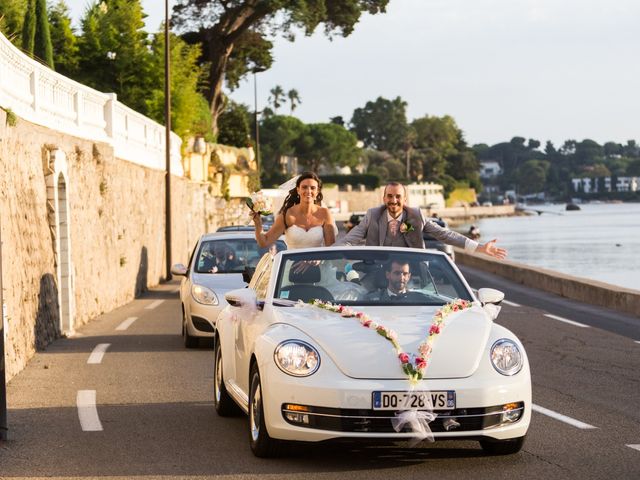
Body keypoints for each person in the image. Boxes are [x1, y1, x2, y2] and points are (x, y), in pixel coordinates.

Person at [335, 182, 507, 259]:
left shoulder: (416, 216)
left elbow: (444, 235)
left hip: (413, 273)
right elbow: (350, 239)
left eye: (398, 197)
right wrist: (326, 255)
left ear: (405, 199)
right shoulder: (372, 215)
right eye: (389, 196)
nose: (393, 200)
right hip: (376, 273)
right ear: (384, 197)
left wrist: (479, 247)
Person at [250, 172, 337, 250]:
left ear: (317, 191)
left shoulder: (324, 213)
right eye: (304, 187)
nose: (308, 191)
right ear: (298, 190)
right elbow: (264, 242)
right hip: (293, 266)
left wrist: (319, 259)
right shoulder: (287, 214)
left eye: (313, 188)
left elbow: (330, 248)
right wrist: (258, 224)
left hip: (318, 266)